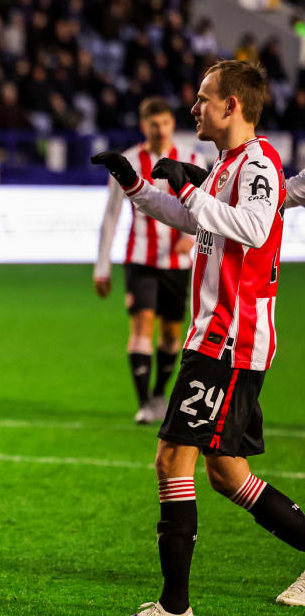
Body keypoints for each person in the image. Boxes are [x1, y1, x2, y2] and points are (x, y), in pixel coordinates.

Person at [91, 59, 305, 616]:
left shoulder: (256, 164)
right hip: (217, 334)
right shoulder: (228, 163)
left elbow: (255, 229)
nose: (194, 108)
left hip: (230, 337)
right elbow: (197, 221)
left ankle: (175, 606)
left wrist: (193, 190)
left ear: (232, 106)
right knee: (227, 473)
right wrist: (136, 186)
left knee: (170, 461)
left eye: (205, 98)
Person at [94, 97, 208, 424]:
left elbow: (204, 207)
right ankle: (144, 402)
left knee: (172, 333)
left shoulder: (191, 158)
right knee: (141, 325)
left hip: (178, 263)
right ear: (144, 125)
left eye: (166, 123)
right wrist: (102, 267)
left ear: (173, 124)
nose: (160, 130)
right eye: (153, 124)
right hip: (139, 259)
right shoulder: (129, 160)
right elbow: (111, 215)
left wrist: (190, 240)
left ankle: (159, 394)